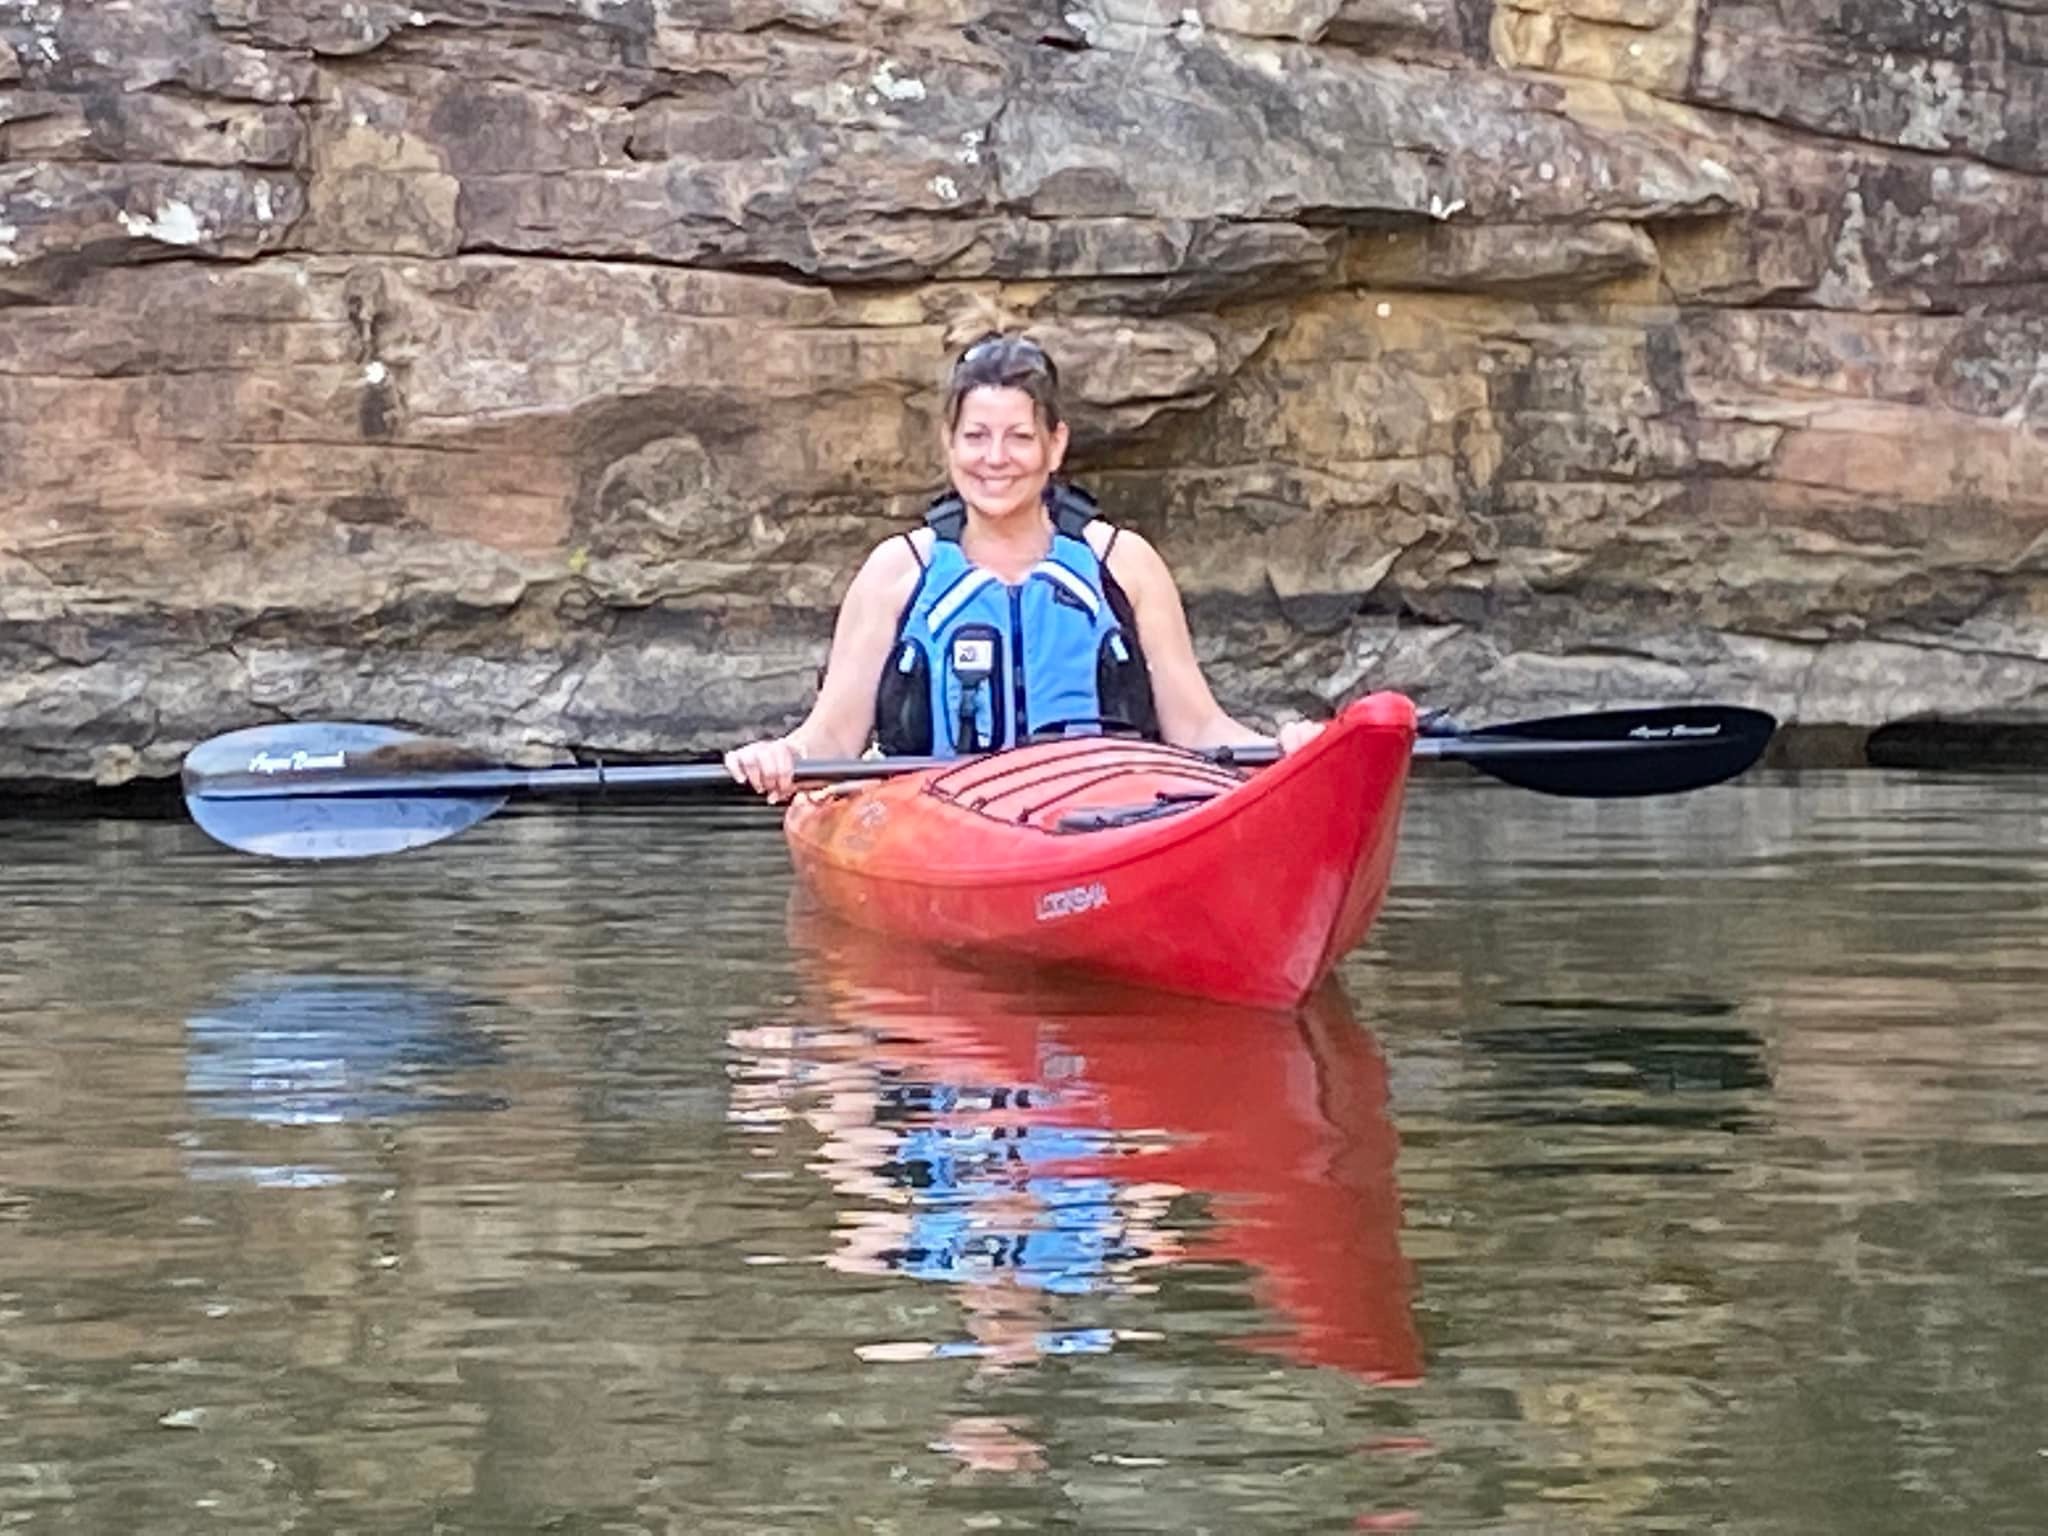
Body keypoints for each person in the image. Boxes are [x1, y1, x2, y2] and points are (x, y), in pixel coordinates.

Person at [724, 332, 1324, 800]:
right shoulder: (897, 573)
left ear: (1054, 445)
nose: (995, 459)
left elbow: (1197, 730)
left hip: (1101, 816)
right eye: (976, 436)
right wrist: (780, 757)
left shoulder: (1124, 565)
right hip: (937, 823)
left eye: (1018, 437)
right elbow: (831, 740)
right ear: (949, 444)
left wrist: (1289, 750)